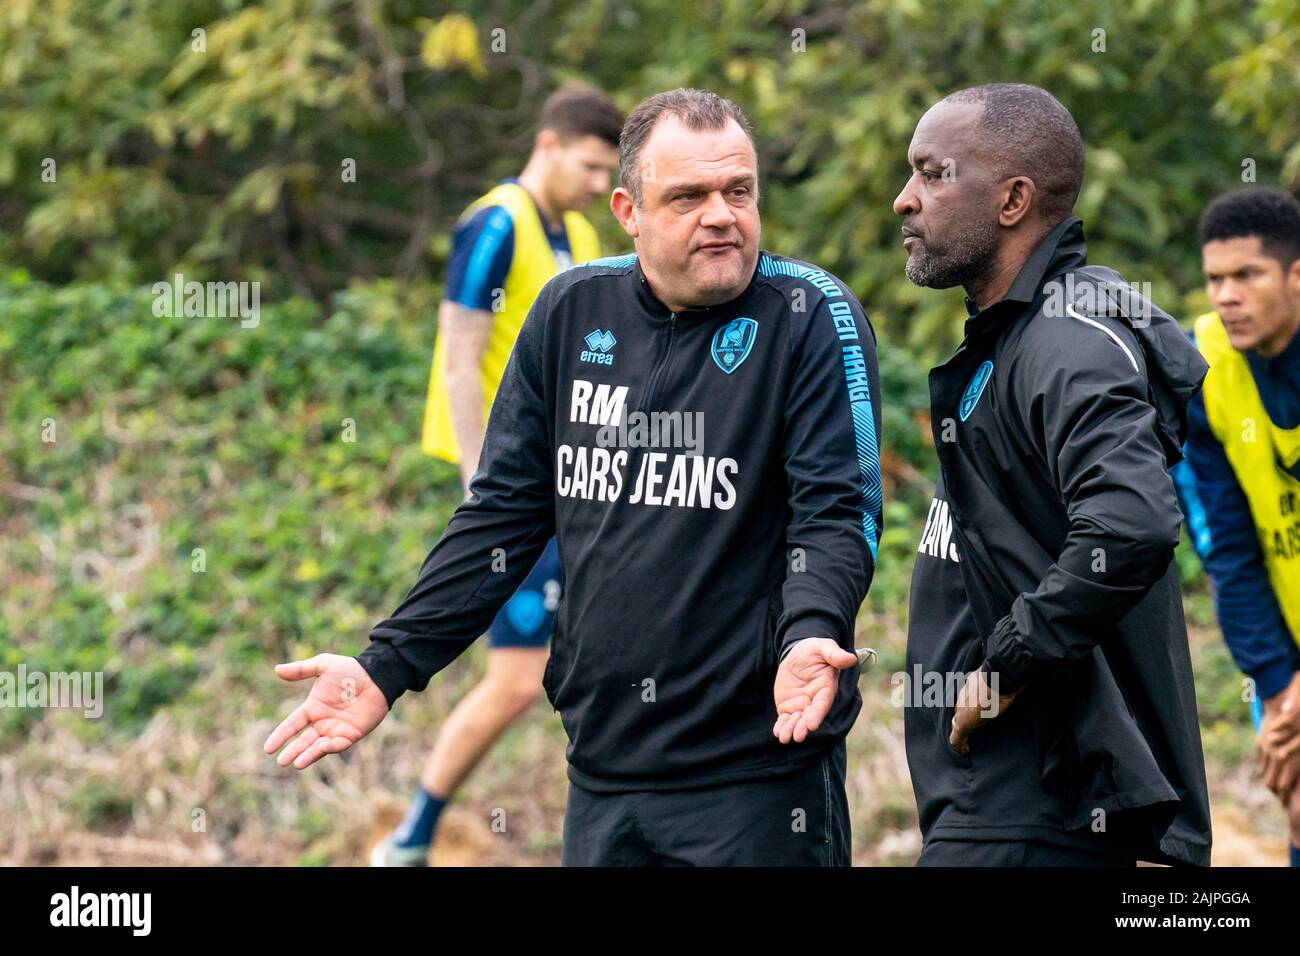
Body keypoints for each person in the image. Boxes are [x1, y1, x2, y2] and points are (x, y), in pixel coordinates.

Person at [265, 88, 884, 866]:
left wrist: (813, 630)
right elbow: (502, 516)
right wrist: (385, 665)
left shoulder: (807, 313)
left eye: (739, 190)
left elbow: (839, 511)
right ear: (628, 209)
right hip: (602, 773)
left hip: (757, 777)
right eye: (688, 196)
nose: (722, 214)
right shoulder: (569, 311)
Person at [894, 83, 1211, 866]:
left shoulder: (1064, 345)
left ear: (1012, 201)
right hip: (998, 810)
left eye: (932, 174)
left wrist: (1005, 666)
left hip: (1037, 810)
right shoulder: (1017, 340)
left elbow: (1132, 524)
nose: (905, 201)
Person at [368, 84, 622, 866]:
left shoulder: (576, 229)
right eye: (586, 166)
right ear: (547, 144)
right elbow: (459, 356)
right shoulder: (495, 223)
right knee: (515, 683)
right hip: (516, 496)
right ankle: (411, 836)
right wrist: (485, 488)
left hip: (574, 485)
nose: (593, 184)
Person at [1173, 186, 1300, 867]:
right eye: (1215, 278)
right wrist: (1281, 690)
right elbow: (1225, 547)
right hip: (1285, 654)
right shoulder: (1207, 364)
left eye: (1246, 275)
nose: (1226, 296)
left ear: (1296, 275)